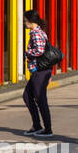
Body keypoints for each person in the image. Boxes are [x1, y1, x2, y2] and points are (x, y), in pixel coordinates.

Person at [22, 9, 54, 138]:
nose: (24, 23)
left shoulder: (36, 33)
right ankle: (37, 125)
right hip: (40, 71)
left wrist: (27, 53)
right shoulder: (40, 32)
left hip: (39, 71)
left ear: (30, 21)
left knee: (40, 99)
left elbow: (40, 51)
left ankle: (47, 129)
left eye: (25, 20)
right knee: (27, 96)